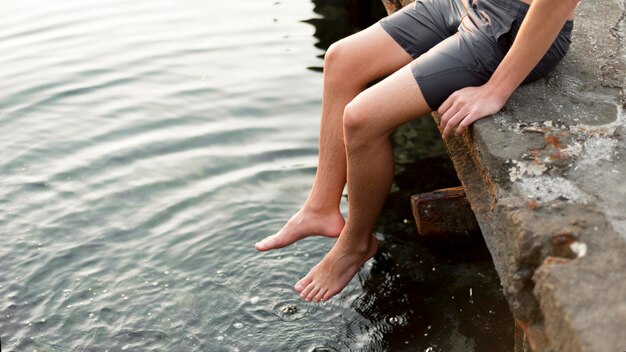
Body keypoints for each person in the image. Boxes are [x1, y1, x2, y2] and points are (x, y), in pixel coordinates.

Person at [256, 0, 579, 303]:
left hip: (508, 27)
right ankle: (321, 207)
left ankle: (355, 244)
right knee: (341, 60)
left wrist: (495, 90)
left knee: (361, 119)